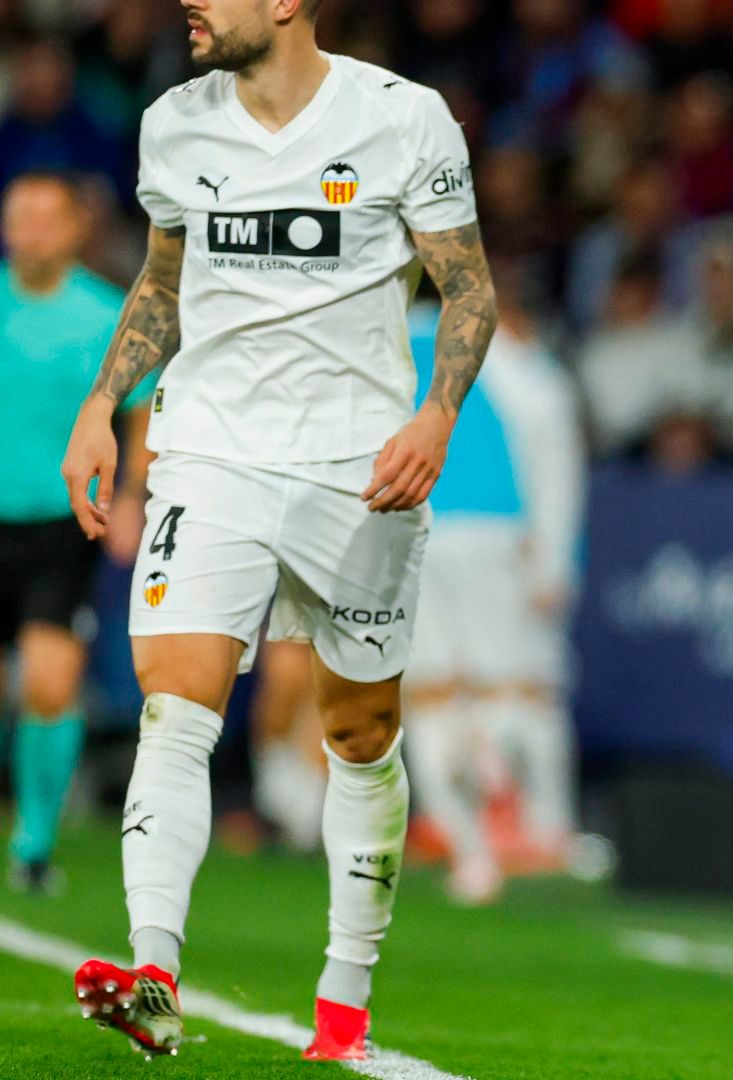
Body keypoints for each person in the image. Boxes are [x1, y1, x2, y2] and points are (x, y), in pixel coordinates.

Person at [58, 0, 496, 1061]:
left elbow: (468, 284)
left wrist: (436, 415)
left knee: (357, 733)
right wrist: (103, 404)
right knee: (177, 704)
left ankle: (345, 995)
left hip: (360, 469)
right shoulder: (175, 121)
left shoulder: (405, 117)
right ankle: (154, 971)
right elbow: (164, 283)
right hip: (210, 452)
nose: (189, 6)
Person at [403, 271, 584, 906]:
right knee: (517, 688)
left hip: (413, 529)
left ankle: (472, 850)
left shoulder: (411, 333)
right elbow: (555, 476)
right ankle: (537, 824)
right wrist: (556, 566)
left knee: (428, 696)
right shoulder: (532, 376)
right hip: (494, 540)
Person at [0, 172, 150, 895]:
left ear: (70, 229)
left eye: (42, 216)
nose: (28, 228)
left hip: (61, 523)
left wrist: (130, 497)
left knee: (49, 688)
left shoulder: (103, 313)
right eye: (17, 215)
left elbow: (141, 411)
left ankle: (33, 841)